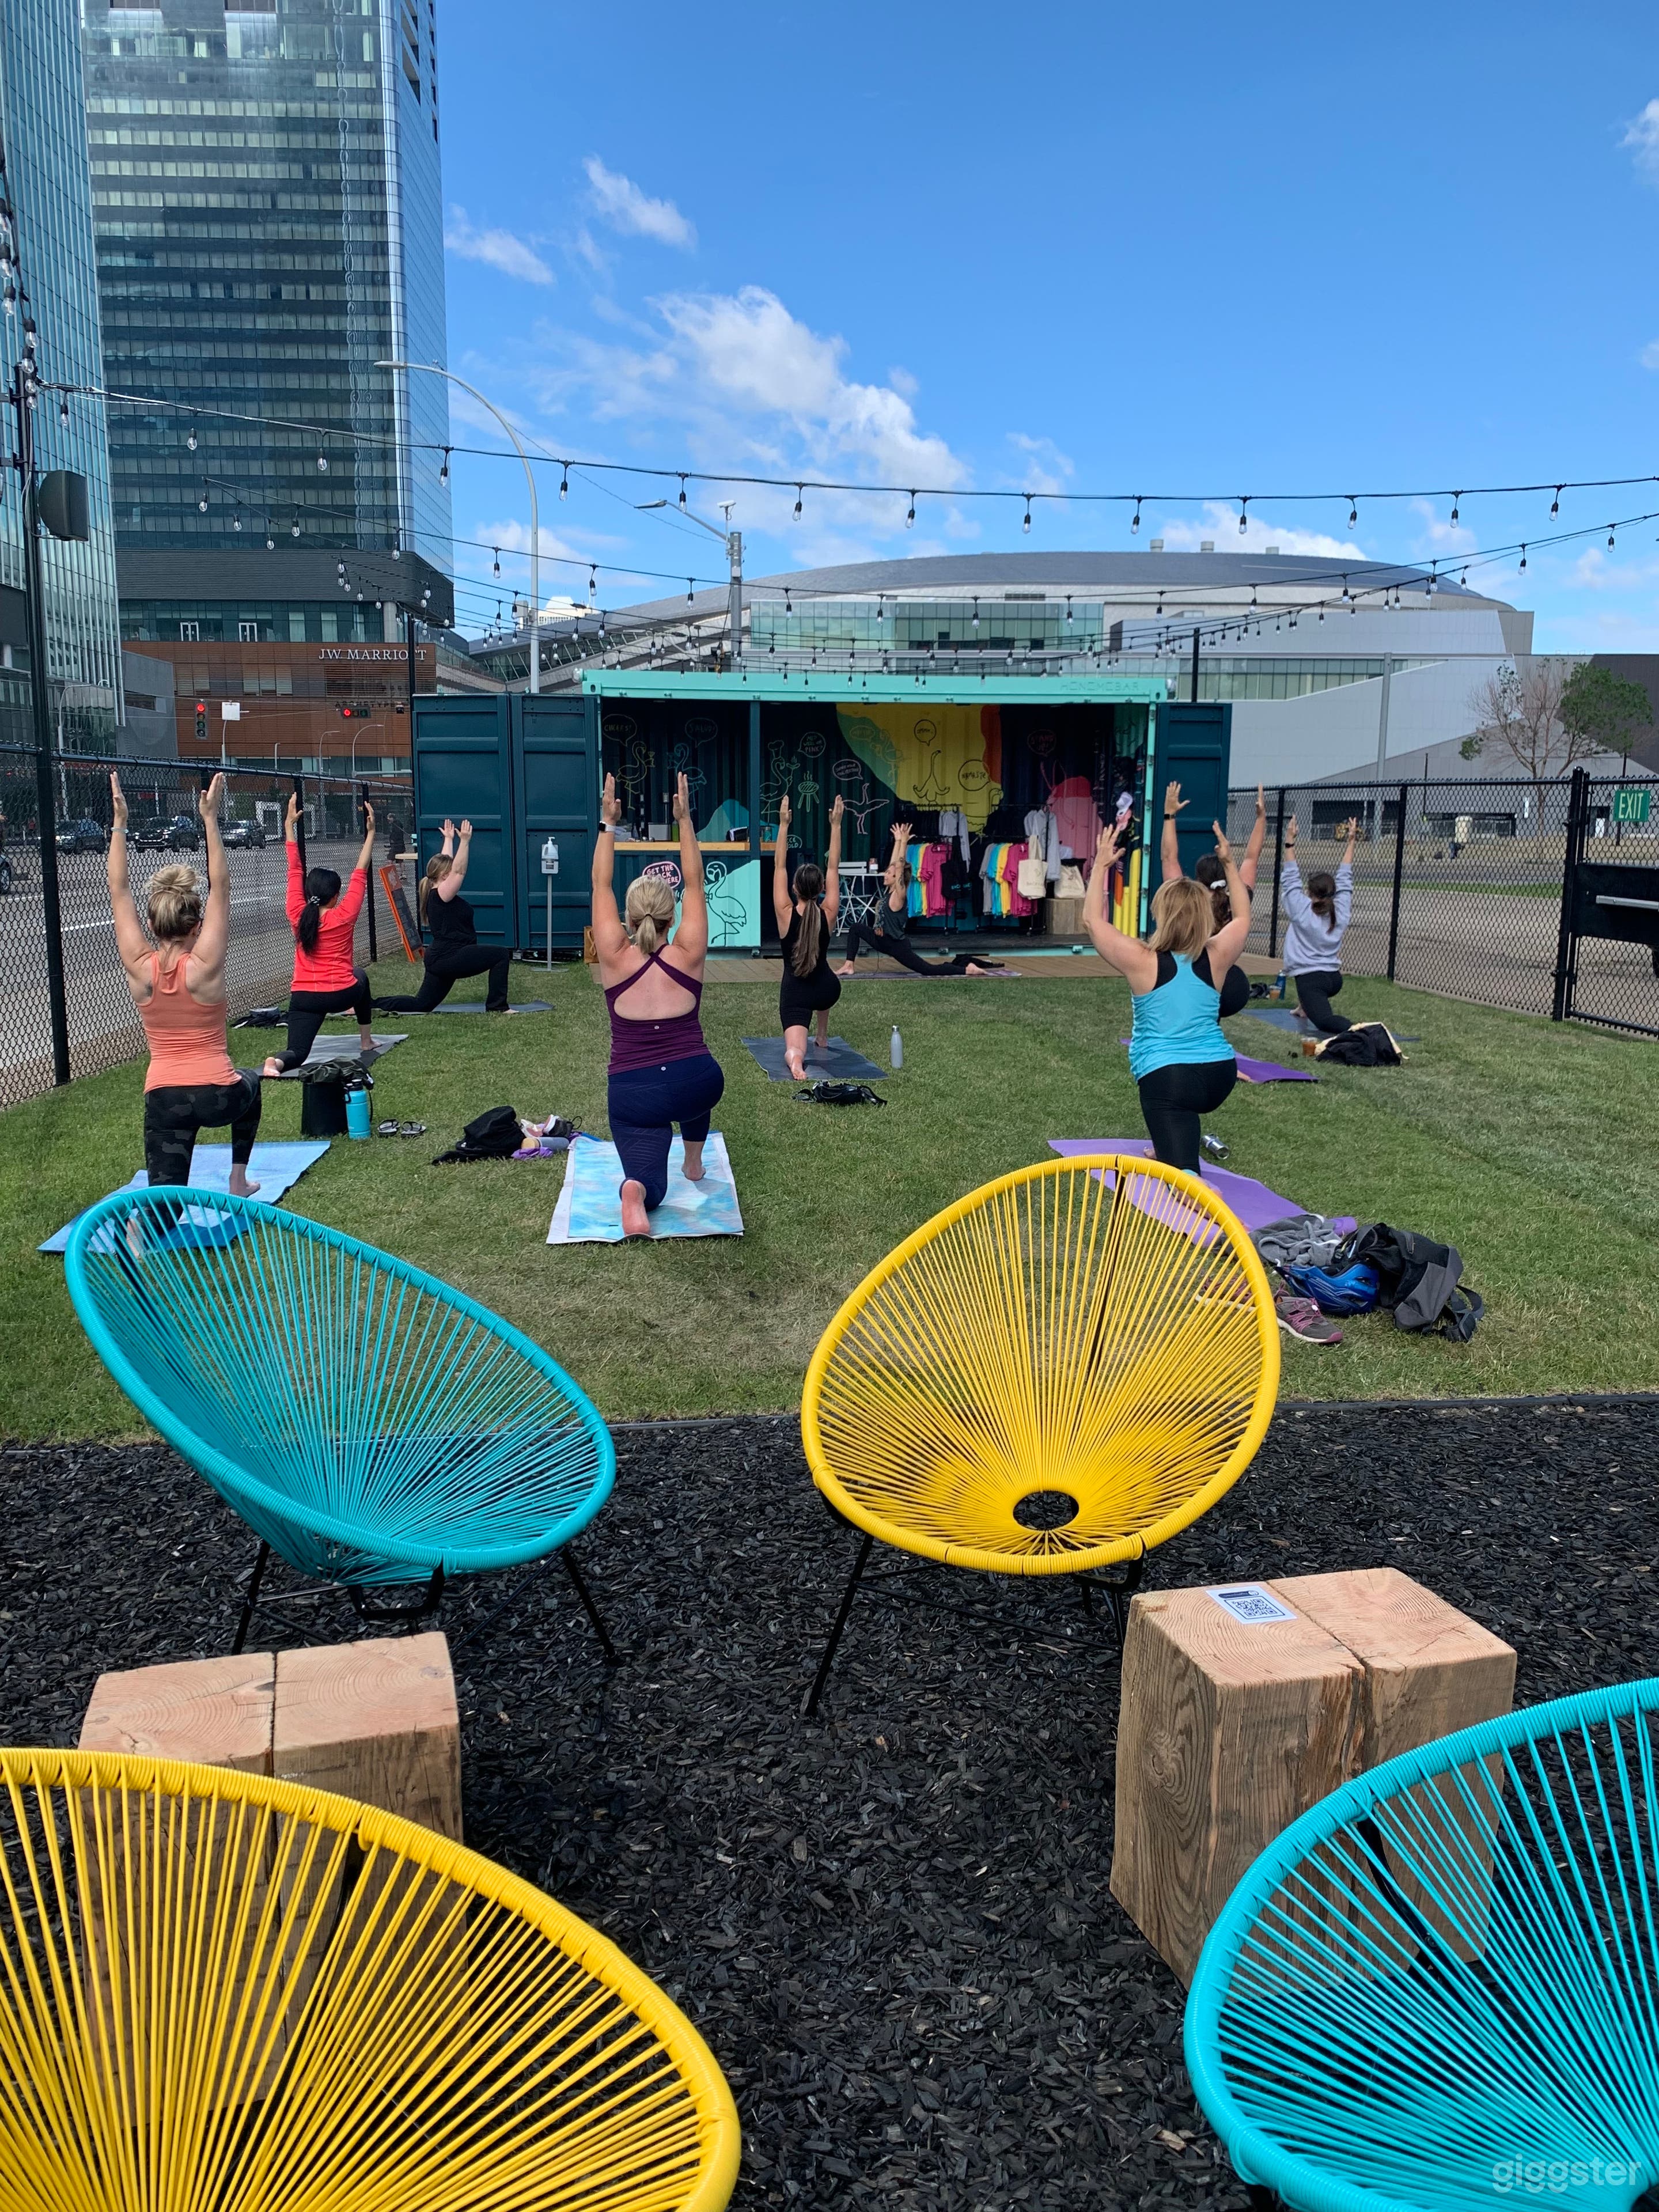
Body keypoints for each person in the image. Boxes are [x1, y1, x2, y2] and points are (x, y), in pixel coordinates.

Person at [107, 770, 263, 1196]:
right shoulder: (204, 966)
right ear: (195, 926)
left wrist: (120, 823)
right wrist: (210, 819)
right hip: (218, 1096)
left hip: (164, 1098)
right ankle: (238, 1179)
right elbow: (221, 888)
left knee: (166, 1205)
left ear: (153, 925)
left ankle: (140, 1229)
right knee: (252, 1080)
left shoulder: (141, 967)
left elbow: (119, 891)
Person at [592, 768, 726, 1240]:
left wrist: (608, 824)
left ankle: (636, 1191)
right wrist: (685, 819)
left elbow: (600, 886)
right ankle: (693, 1159)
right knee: (691, 1080)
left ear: (631, 918)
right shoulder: (689, 953)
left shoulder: (613, 956)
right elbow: (695, 881)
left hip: (635, 1094)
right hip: (697, 1083)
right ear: (670, 917)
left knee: (650, 1181)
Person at [1084, 815, 1251, 1174]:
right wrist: (1229, 864)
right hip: (1220, 1074)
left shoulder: (1142, 960)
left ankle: (1197, 1185)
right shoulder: (1218, 955)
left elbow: (1092, 922)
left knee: (1185, 1181)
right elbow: (1242, 918)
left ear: (1161, 914)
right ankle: (1171, 1151)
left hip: (1171, 1078)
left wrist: (1100, 866)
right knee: (1178, 1119)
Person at [262, 793, 377, 1076]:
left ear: (308, 893)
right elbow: (360, 872)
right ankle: (366, 1040)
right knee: (360, 976)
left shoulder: (297, 913)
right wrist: (371, 833)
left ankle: (276, 1063)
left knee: (297, 1054)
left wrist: (289, 826)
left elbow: (293, 869)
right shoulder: (343, 915)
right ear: (336, 896)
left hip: (303, 997)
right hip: (341, 995)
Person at [374, 817, 511, 1014]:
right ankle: (498, 1006)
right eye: (450, 871)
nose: (453, 870)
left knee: (422, 1005)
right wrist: (464, 842)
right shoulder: (441, 895)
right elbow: (459, 871)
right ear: (445, 876)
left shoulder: (436, 889)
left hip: (441, 958)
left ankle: (370, 1004)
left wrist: (448, 839)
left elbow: (445, 864)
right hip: (449, 957)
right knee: (500, 954)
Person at [835, 823, 1009, 976]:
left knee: (928, 970)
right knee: (856, 928)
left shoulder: (899, 895)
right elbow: (895, 864)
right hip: (881, 940)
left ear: (898, 878)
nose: (885, 874)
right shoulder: (890, 890)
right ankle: (849, 965)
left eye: (889, 873)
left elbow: (900, 866)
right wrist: (897, 841)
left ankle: (967, 969)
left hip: (896, 945)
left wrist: (904, 843)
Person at [1161, 781, 1268, 1018]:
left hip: (1193, 984)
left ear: (1198, 878)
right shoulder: (1237, 901)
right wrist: (1261, 819)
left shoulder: (1187, 901)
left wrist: (1169, 816)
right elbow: (1251, 858)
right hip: (1229, 987)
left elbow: (1169, 859)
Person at [773, 790, 844, 1079]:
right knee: (822, 979)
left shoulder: (784, 912)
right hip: (827, 990)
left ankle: (796, 1062)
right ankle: (823, 1035)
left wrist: (783, 825)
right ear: (820, 889)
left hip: (796, 993)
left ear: (795, 888)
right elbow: (833, 866)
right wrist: (836, 826)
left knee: (795, 1049)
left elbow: (779, 865)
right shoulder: (828, 912)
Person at [1281, 815, 1358, 1034]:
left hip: (1312, 980)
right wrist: (1351, 841)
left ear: (1310, 893)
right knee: (1312, 1000)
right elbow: (1345, 877)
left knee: (1324, 1022)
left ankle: (1362, 1031)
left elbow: (1291, 877)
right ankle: (1303, 1007)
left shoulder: (1302, 910)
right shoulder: (1340, 908)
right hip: (1334, 978)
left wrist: (1290, 840)